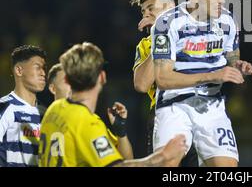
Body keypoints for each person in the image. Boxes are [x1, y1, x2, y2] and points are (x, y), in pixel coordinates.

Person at [151, 0, 252, 167]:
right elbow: (163, 78)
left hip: (212, 107)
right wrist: (213, 76)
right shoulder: (167, 23)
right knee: (166, 165)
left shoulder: (227, 20)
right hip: (175, 106)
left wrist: (238, 64)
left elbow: (232, 56)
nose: (222, 0)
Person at [39, 42, 186, 167]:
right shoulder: (87, 124)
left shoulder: (55, 109)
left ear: (67, 80)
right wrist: (162, 156)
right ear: (102, 77)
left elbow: (123, 158)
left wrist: (120, 131)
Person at [129, 0, 198, 166]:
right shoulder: (146, 45)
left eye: (151, 8)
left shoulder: (194, 32)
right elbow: (142, 85)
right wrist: (160, 34)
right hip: (166, 114)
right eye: (143, 11)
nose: (146, 15)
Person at [46, 62, 134, 160]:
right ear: (53, 88)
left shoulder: (90, 120)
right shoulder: (41, 121)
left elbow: (126, 159)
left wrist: (120, 131)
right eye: (66, 81)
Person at [0, 45, 47, 167]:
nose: (43, 73)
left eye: (44, 68)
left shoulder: (46, 113)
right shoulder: (4, 107)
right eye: (37, 68)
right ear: (19, 70)